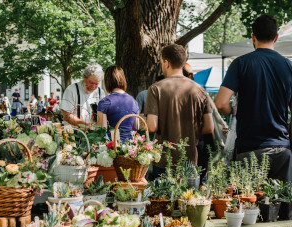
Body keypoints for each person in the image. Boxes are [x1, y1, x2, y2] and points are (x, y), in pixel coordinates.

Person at [215, 14, 292, 182]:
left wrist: (233, 111)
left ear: (253, 37)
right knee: (282, 204)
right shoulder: (288, 66)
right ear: (276, 37)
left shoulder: (241, 64)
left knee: (248, 202)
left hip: (249, 148)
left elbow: (221, 103)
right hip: (281, 149)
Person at [145, 44, 214, 178]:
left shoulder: (156, 89)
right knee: (188, 198)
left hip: (164, 161)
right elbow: (209, 127)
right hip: (190, 160)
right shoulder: (200, 90)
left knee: (162, 198)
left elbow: (152, 126)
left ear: (166, 63)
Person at [97, 66, 139, 143]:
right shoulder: (133, 101)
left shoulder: (105, 102)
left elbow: (102, 131)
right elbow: (136, 127)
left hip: (113, 146)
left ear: (107, 81)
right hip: (130, 147)